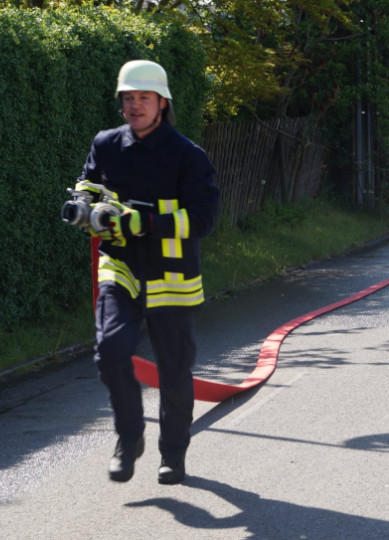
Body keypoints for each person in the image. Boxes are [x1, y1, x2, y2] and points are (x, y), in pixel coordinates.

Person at [72, 60, 221, 485]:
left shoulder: (188, 156)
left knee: (174, 373)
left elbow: (205, 220)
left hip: (171, 277)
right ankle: (129, 438)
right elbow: (89, 181)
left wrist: (147, 222)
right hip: (120, 267)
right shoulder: (105, 144)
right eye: (129, 98)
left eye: (144, 98)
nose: (135, 105)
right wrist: (84, 204)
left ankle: (173, 455)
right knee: (111, 352)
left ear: (162, 103)